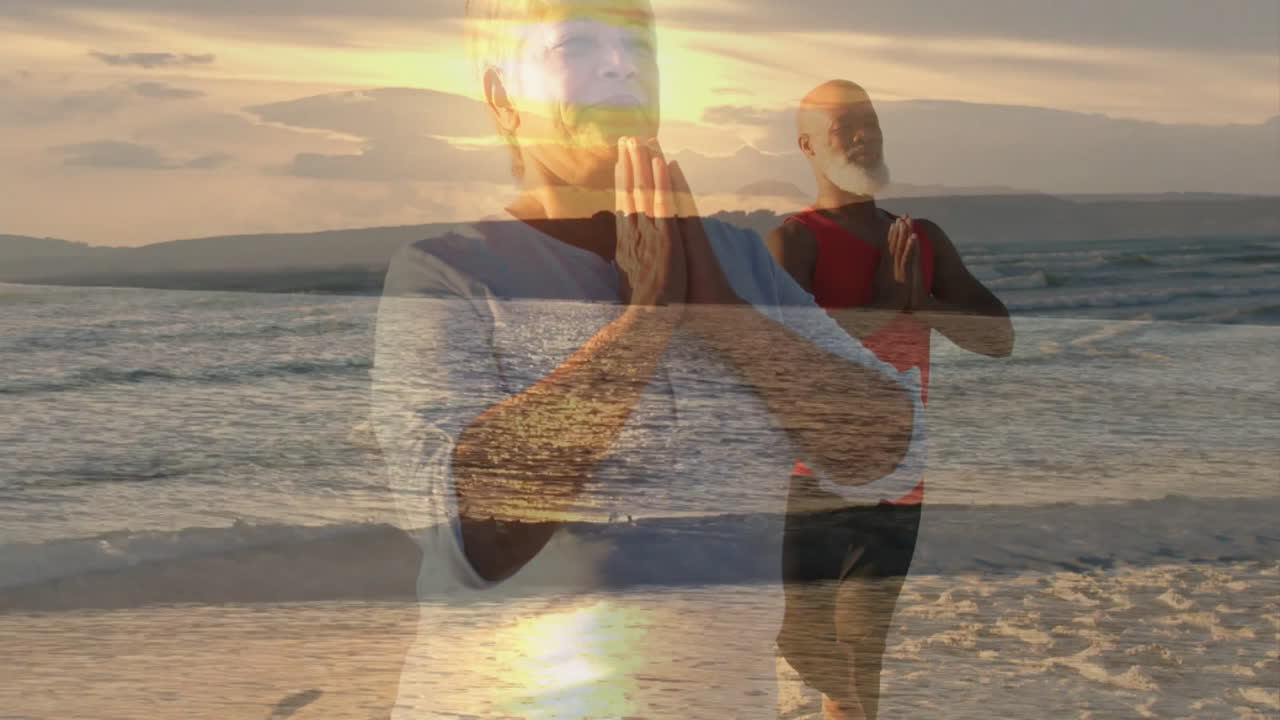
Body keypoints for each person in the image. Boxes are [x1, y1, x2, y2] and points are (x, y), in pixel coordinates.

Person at [371, 6, 928, 718]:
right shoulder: (446, 276)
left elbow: (885, 446)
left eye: (639, 45)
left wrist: (720, 313)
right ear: (503, 97)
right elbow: (474, 536)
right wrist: (644, 325)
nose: (622, 65)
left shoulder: (734, 261)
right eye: (580, 44)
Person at [765, 79, 1015, 719]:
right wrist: (881, 308)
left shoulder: (921, 238)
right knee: (818, 648)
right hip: (821, 478)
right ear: (808, 145)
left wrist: (923, 305)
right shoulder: (797, 240)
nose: (862, 132)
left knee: (860, 661)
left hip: (902, 482)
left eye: (869, 119)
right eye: (844, 123)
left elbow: (999, 337)